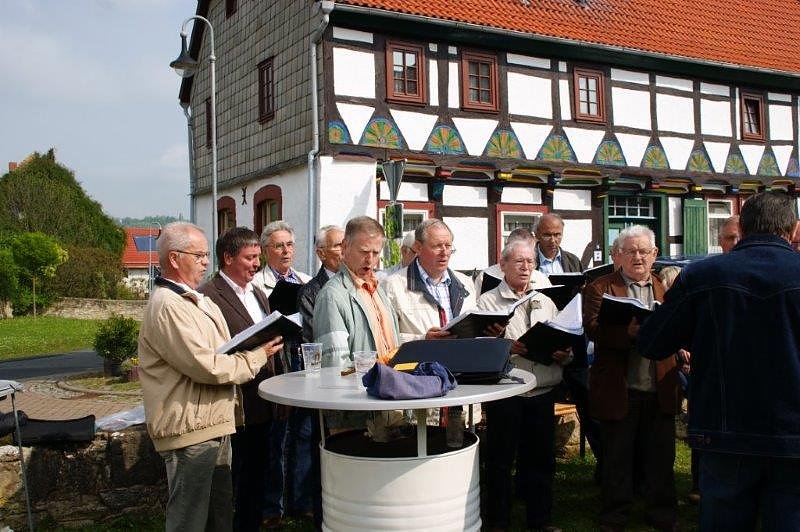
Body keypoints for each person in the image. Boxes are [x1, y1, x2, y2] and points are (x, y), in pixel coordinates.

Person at [638, 191, 800, 531]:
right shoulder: (704, 276)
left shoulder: (703, 275)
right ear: (793, 229)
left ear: (742, 228)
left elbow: (653, 341)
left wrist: (698, 332)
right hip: (790, 432)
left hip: (726, 430)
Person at [138, 222, 283, 532]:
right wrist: (257, 356)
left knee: (218, 517)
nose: (206, 261)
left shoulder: (194, 300)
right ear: (175, 258)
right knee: (189, 520)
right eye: (200, 255)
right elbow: (208, 366)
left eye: (206, 255)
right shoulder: (168, 305)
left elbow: (220, 351)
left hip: (213, 423)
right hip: (189, 429)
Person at [583, 224, 681, 532]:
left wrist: (681, 346)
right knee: (617, 458)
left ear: (655, 255)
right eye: (630, 251)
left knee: (661, 458)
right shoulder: (600, 287)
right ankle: (615, 516)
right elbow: (593, 329)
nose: (638, 257)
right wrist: (630, 332)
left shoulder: (665, 290)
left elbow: (678, 327)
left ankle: (662, 514)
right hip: (620, 386)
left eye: (644, 251)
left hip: (659, 385)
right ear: (617, 256)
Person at [478, 240, 570, 532]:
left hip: (542, 389)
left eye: (530, 262)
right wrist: (506, 346)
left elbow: (564, 337)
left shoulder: (546, 299)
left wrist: (565, 353)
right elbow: (478, 349)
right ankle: (497, 521)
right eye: (518, 261)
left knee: (541, 460)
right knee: (500, 461)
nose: (525, 267)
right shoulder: (488, 302)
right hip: (508, 391)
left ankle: (540, 520)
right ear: (502, 265)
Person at [198, 227, 286, 532]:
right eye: (249, 258)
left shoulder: (258, 292)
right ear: (227, 258)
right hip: (233, 403)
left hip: (263, 399)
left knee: (256, 477)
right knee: (232, 481)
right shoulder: (208, 297)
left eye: (257, 258)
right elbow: (213, 352)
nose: (255, 264)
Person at [312, 216, 401, 435]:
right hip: (356, 415)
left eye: (376, 253)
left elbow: (391, 347)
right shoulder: (331, 296)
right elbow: (334, 366)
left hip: (391, 403)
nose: (370, 260)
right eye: (364, 252)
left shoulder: (378, 289)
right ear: (344, 248)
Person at [252, 220, 312, 527]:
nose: (286, 251)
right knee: (275, 436)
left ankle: (300, 502)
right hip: (273, 361)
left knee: (303, 433)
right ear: (264, 251)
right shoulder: (257, 283)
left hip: (300, 357)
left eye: (289, 244)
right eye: (278, 245)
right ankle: (271, 507)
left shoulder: (304, 280)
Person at [295, 224, 343, 529]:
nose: (343, 249)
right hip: (327, 379)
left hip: (354, 377)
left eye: (344, 243)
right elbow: (319, 338)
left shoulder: (357, 284)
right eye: (337, 245)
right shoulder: (311, 291)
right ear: (321, 252)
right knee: (322, 447)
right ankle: (320, 510)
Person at [474, 227, 550, 295]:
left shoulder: (541, 280)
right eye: (519, 260)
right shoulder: (485, 276)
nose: (525, 266)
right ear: (507, 247)